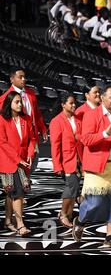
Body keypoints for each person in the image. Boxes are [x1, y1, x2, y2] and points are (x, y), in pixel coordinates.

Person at [72, 86, 111, 248]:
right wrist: (105, 133)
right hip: (97, 166)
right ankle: (80, 221)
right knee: (95, 203)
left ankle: (109, 238)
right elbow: (85, 140)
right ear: (102, 98)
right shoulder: (91, 115)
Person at [0, 91, 36, 235]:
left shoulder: (26, 119)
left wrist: (30, 153)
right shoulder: (2, 120)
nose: (20, 104)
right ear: (9, 103)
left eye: (20, 101)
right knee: (18, 192)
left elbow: (32, 139)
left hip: (23, 161)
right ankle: (20, 224)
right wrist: (17, 159)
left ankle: (8, 221)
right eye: (17, 102)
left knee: (11, 192)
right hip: (9, 160)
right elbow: (2, 142)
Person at [0, 68, 47, 173]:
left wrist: (43, 128)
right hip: (15, 140)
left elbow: (37, 113)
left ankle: (25, 184)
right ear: (12, 79)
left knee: (31, 163)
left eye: (24, 77)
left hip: (31, 136)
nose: (24, 79)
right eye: (20, 77)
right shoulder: (4, 98)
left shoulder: (31, 94)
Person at [49, 93, 83, 228]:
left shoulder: (77, 119)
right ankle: (62, 214)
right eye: (71, 103)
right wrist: (57, 165)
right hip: (67, 160)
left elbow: (82, 137)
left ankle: (69, 213)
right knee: (71, 187)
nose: (74, 105)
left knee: (74, 188)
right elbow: (55, 146)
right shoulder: (56, 121)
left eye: (74, 102)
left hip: (79, 159)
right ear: (63, 105)